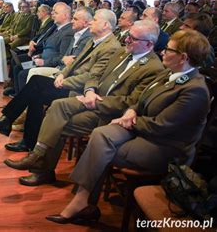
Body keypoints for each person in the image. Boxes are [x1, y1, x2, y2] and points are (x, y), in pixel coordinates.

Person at [46, 30, 210, 225]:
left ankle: (82, 201)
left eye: (168, 49)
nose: (162, 52)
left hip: (165, 146)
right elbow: (140, 99)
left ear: (183, 57)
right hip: (141, 128)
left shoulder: (195, 89)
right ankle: (83, 200)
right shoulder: (170, 73)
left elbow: (161, 126)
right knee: (100, 134)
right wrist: (131, 111)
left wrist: (129, 120)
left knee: (101, 149)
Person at [4, 21, 164, 186]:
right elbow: (95, 75)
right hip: (91, 98)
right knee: (56, 108)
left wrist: (95, 101)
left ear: (149, 44)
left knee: (55, 121)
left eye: (133, 38)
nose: (127, 40)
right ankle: (38, 159)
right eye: (128, 35)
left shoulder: (154, 68)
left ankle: (40, 167)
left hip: (109, 114)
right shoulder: (122, 54)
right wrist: (90, 91)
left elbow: (131, 102)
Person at [0, 9, 121, 149]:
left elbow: (93, 76)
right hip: (69, 81)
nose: (91, 22)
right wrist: (62, 74)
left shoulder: (111, 47)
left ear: (106, 25)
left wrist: (65, 81)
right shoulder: (94, 41)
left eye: (95, 20)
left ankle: (9, 122)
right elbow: (74, 63)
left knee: (36, 84)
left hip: (79, 91)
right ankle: (25, 139)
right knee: (36, 91)